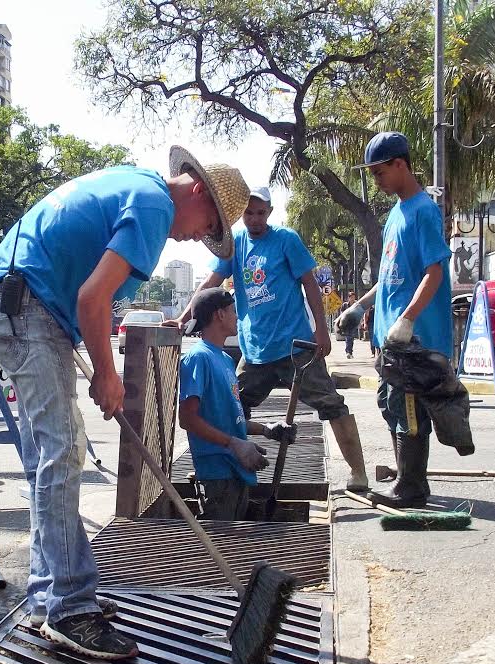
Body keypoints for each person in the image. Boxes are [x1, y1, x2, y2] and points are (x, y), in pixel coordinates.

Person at [0, 146, 250, 660]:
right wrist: (107, 372)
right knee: (62, 451)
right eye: (207, 225)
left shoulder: (136, 186)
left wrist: (91, 354)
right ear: (196, 192)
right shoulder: (153, 206)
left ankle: (50, 594)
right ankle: (69, 608)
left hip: (21, 303)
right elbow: (92, 297)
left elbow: (84, 294)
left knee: (48, 459)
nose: (196, 238)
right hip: (26, 306)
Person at [173, 186, 369, 493]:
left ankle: (358, 473)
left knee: (331, 404)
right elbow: (211, 283)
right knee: (232, 406)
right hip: (255, 351)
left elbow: (310, 284)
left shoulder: (285, 240)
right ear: (241, 214)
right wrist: (184, 318)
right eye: (248, 213)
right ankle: (226, 470)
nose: (254, 219)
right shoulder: (235, 244)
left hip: (295, 347)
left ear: (270, 212)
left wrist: (321, 329)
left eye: (260, 213)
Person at [336, 132, 453, 508]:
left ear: (400, 165)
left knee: (410, 411)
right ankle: (406, 476)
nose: (376, 181)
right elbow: (388, 279)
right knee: (392, 405)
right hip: (390, 339)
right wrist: (360, 308)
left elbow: (434, 271)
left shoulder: (423, 211)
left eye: (379, 172)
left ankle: (412, 487)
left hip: (414, 338)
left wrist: (408, 318)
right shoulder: (395, 217)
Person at [179, 288, 296, 520]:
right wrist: (233, 443)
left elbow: (230, 417)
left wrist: (266, 429)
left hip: (236, 468)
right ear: (219, 315)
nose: (238, 316)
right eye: (233, 311)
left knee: (233, 545)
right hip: (217, 474)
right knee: (219, 543)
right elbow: (187, 419)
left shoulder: (223, 359)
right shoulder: (198, 358)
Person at [339, 291, 358, 358]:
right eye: (351, 297)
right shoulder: (345, 305)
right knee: (348, 337)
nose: (352, 299)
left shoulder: (356, 304)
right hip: (346, 323)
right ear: (348, 298)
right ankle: (348, 352)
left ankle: (350, 351)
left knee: (351, 338)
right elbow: (341, 313)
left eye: (353, 297)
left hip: (354, 323)